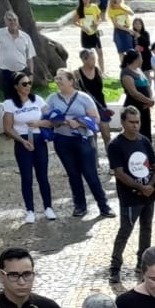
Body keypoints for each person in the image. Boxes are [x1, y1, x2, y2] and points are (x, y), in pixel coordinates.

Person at [44, 70, 113, 220]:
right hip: (62, 140)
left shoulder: (83, 98)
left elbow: (96, 119)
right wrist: (61, 121)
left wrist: (80, 122)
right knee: (73, 175)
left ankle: (104, 206)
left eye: (61, 78)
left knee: (90, 174)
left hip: (83, 140)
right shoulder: (52, 98)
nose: (58, 81)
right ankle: (80, 206)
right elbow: (46, 117)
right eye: (56, 78)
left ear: (71, 81)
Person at [106, 106, 155, 282]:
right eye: (132, 122)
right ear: (123, 122)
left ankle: (142, 263)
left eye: (138, 122)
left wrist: (150, 186)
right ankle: (115, 266)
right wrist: (141, 188)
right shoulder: (116, 145)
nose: (135, 126)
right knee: (125, 230)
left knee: (146, 230)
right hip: (129, 197)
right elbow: (119, 173)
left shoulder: (144, 141)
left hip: (148, 195)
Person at [2, 71, 55, 223]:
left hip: (39, 139)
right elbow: (8, 127)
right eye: (24, 84)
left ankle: (48, 207)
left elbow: (52, 120)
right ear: (16, 86)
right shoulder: (9, 104)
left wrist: (39, 123)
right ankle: (30, 210)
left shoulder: (37, 100)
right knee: (26, 177)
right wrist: (21, 140)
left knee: (43, 176)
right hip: (23, 141)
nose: (28, 86)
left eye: (29, 83)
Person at [0, 11, 40, 102]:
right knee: (8, 98)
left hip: (22, 70)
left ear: (18, 21)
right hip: (6, 71)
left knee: (24, 96)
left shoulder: (25, 37)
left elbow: (30, 57)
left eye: (14, 20)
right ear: (6, 22)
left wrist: (31, 74)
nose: (12, 22)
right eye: (9, 20)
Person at [118, 49, 154, 142]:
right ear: (136, 59)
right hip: (134, 105)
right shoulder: (126, 73)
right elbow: (134, 93)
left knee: (145, 129)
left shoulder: (138, 70)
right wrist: (148, 101)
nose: (142, 59)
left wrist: (150, 99)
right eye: (141, 57)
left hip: (144, 106)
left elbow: (147, 85)